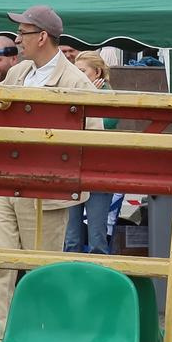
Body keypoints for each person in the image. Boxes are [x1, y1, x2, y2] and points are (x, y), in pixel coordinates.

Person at [0, 6, 100, 329]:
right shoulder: (18, 73)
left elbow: (94, 136)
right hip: (7, 183)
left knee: (42, 271)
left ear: (42, 37)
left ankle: (42, 336)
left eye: (22, 33)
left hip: (46, 190)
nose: (17, 39)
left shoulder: (76, 82)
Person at [60, 51, 118, 256]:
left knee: (93, 237)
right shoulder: (76, 91)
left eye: (82, 71)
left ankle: (83, 273)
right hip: (79, 167)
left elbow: (108, 123)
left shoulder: (108, 95)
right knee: (73, 237)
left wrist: (89, 96)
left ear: (97, 72)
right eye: (76, 71)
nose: (78, 75)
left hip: (94, 169)